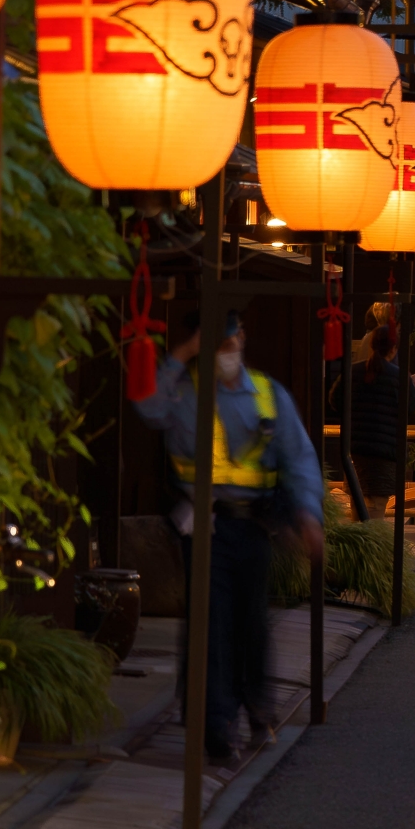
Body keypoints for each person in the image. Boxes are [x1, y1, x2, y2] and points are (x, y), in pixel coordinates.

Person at [134, 310, 323, 765]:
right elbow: (148, 406)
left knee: (252, 622)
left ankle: (257, 711)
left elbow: (297, 456)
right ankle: (217, 726)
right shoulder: (185, 391)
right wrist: (182, 353)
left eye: (230, 339)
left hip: (254, 525)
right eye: (216, 343)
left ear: (243, 337)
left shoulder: (267, 394)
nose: (226, 351)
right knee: (211, 624)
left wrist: (307, 514)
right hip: (204, 526)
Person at [327, 325, 415, 510]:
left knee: (357, 506)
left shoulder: (352, 372)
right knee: (376, 508)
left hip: (355, 450)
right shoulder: (399, 377)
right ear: (393, 349)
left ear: (370, 344)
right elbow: (410, 406)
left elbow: (334, 400)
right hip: (384, 453)